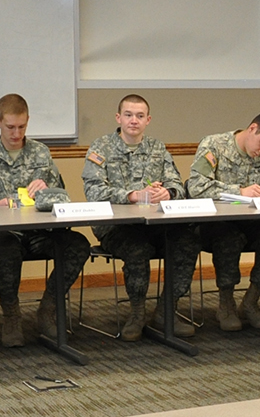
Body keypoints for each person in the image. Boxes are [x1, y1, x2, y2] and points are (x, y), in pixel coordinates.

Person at [0, 94, 90, 348]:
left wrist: (48, 190)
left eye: (22, 127)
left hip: (39, 232)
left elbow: (64, 199)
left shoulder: (41, 153)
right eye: (10, 127)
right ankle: (11, 315)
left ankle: (48, 308)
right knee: (3, 245)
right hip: (1, 233)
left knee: (77, 244)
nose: (16, 134)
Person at [80, 93, 197, 340]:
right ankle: (137, 313)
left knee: (187, 240)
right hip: (115, 226)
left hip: (155, 223)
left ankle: (167, 310)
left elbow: (177, 182)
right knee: (137, 249)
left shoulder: (157, 148)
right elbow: (94, 191)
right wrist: (132, 195)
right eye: (129, 115)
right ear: (118, 118)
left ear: (148, 120)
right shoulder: (100, 148)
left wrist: (169, 192)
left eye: (140, 116)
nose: (134, 120)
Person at [188, 112, 260, 331]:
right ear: (253, 128)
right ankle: (226, 305)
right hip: (214, 223)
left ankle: (251, 302)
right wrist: (238, 191)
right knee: (229, 239)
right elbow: (196, 187)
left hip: (250, 220)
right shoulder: (215, 145)